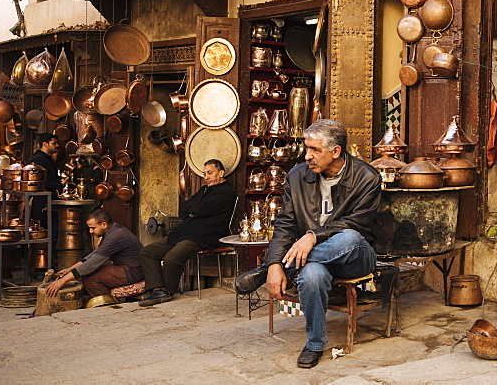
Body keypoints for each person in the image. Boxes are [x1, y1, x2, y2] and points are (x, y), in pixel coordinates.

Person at [234, 119, 381, 369]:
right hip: (312, 259)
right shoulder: (297, 176)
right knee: (311, 275)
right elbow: (286, 223)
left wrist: (312, 236)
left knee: (349, 236)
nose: (307, 155)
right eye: (307, 148)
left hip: (354, 256)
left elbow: (359, 223)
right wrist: (273, 266)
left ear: (336, 151)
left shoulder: (367, 177)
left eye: (315, 150)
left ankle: (281, 268)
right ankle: (314, 344)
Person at [137, 159, 236, 307]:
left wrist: (195, 210)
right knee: (147, 252)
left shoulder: (226, 192)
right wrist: (194, 210)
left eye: (210, 173)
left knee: (172, 258)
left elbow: (201, 209)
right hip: (183, 233)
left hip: (204, 235)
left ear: (221, 173)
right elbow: (184, 208)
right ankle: (157, 288)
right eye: (204, 174)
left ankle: (167, 291)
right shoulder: (204, 190)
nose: (206, 177)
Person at [45, 208, 144, 298]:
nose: (90, 231)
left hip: (133, 271)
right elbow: (94, 255)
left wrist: (62, 281)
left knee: (90, 278)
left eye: (93, 228)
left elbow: (92, 264)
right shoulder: (112, 230)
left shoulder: (115, 236)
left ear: (104, 224)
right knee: (82, 274)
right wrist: (71, 269)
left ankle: (106, 304)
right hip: (123, 267)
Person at [29, 133, 62, 228]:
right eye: (54, 143)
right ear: (45, 144)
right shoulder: (40, 160)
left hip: (47, 201)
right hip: (43, 202)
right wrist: (58, 185)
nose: (57, 145)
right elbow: (40, 183)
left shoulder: (46, 159)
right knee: (49, 231)